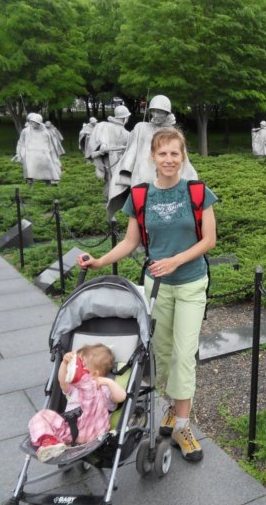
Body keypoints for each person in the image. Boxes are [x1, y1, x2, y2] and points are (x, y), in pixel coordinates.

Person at [78, 127, 217, 462]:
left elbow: (209, 240)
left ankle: (182, 425)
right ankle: (172, 409)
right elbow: (129, 243)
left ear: (183, 157)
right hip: (156, 288)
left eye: (175, 153)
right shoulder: (140, 196)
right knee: (163, 354)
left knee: (184, 354)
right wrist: (99, 261)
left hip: (191, 283)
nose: (169, 159)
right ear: (152, 157)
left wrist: (176, 261)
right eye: (163, 153)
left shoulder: (198, 192)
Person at [29, 343, 126, 462]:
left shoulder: (103, 388)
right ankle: (49, 442)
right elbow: (62, 382)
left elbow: (121, 397)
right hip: (70, 430)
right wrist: (64, 364)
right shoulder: (74, 388)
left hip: (94, 429)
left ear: (95, 374)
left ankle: (85, 380)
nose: (72, 367)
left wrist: (109, 382)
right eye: (74, 366)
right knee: (42, 416)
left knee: (91, 391)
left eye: (79, 366)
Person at [108, 95, 198, 218]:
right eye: (153, 111)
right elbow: (131, 149)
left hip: (164, 178)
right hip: (141, 177)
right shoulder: (141, 127)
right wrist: (126, 172)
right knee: (140, 213)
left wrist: (192, 182)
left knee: (164, 214)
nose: (155, 114)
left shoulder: (172, 133)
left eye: (159, 112)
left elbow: (182, 159)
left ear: (167, 113)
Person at [87, 105, 131, 197]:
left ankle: (116, 198)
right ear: (124, 118)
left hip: (120, 159)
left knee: (118, 180)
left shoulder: (126, 133)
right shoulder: (106, 127)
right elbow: (104, 146)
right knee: (112, 180)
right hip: (111, 159)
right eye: (127, 117)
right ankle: (112, 198)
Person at [12, 113, 62, 186]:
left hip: (43, 155)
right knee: (30, 172)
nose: (33, 124)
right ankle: (31, 186)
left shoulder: (46, 132)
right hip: (30, 155)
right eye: (32, 122)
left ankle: (48, 185)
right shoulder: (25, 131)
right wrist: (18, 153)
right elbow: (21, 142)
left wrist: (52, 155)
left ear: (39, 123)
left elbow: (50, 145)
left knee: (47, 172)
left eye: (36, 123)